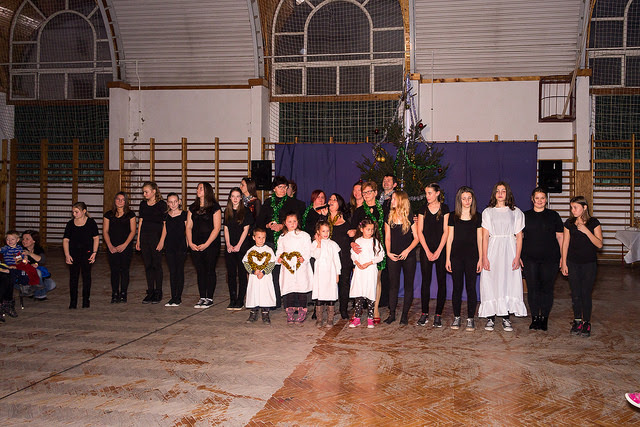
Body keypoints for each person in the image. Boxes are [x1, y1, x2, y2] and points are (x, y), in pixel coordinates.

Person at [479, 181, 527, 332]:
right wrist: (484, 257)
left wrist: (517, 256)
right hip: (493, 249)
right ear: (494, 194)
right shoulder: (488, 212)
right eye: (498, 191)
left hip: (509, 250)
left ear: (508, 193)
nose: (500, 193)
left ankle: (506, 317)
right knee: (491, 281)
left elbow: (519, 237)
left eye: (503, 191)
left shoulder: (516, 212)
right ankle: (490, 318)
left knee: (508, 281)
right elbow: (485, 236)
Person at [255, 176, 304, 307]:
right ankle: (275, 300)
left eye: (285, 187)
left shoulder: (292, 203)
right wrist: (268, 225)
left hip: (288, 241)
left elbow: (298, 222)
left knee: (290, 271)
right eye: (280, 187)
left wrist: (283, 226)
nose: (283, 189)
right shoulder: (267, 203)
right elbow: (259, 222)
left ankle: (293, 302)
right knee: (273, 271)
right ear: (274, 189)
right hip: (271, 241)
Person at [522, 187, 563, 331]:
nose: (540, 201)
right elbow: (519, 238)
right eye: (537, 198)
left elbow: (560, 237)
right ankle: (535, 318)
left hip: (550, 259)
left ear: (546, 200)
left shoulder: (554, 216)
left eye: (542, 198)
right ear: (532, 199)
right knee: (532, 288)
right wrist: (518, 256)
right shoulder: (524, 216)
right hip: (529, 259)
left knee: (547, 288)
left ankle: (544, 318)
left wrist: (563, 257)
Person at [561, 196, 603, 337]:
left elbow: (599, 244)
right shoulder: (569, 223)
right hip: (573, 263)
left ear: (584, 208)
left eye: (575, 207)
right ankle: (577, 320)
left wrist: (586, 231)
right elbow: (565, 244)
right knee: (575, 293)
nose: (573, 210)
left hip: (589, 264)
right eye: (571, 207)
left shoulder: (594, 223)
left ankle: (587, 322)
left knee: (585, 293)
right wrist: (564, 262)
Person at [349, 180, 388, 323]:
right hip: (361, 250)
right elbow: (352, 231)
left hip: (376, 249)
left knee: (376, 279)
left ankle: (375, 309)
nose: (365, 195)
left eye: (369, 192)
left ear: (376, 193)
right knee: (359, 281)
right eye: (364, 192)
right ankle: (358, 310)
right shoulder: (359, 211)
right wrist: (352, 243)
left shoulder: (383, 209)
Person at [445, 186, 482, 332]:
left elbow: (480, 239)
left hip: (472, 257)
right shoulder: (453, 216)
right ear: (459, 200)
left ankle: (470, 318)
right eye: (464, 198)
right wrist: (447, 259)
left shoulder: (477, 217)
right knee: (457, 287)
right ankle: (457, 317)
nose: (467, 201)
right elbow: (449, 238)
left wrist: (480, 258)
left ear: (473, 200)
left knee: (471, 287)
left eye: (469, 198)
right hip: (456, 257)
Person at [417, 183, 450, 328]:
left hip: (440, 249)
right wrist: (427, 251)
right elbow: (420, 232)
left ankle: (438, 315)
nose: (427, 196)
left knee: (441, 281)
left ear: (437, 193)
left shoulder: (445, 209)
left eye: (430, 193)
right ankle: (424, 313)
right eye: (426, 193)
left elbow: (446, 231)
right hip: (426, 249)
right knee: (426, 281)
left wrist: (438, 251)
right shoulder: (422, 209)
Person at [384, 190, 419, 325]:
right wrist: (388, 252)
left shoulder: (409, 216)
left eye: (394, 199)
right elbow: (387, 237)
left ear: (401, 201)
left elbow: (416, 238)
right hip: (393, 255)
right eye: (392, 199)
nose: (391, 201)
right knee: (393, 285)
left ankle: (404, 315)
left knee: (408, 285)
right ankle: (392, 314)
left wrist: (407, 251)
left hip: (408, 256)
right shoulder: (389, 216)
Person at [187, 182, 222, 309]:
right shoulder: (193, 207)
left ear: (207, 191)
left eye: (201, 188)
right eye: (197, 188)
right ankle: (202, 297)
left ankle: (209, 298)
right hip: (195, 243)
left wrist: (206, 244)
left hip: (211, 244)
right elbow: (188, 226)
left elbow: (217, 228)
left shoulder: (215, 207)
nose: (198, 190)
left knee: (209, 270)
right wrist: (190, 243)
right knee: (200, 270)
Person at [276, 212, 312, 325]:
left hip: (300, 267)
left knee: (301, 289)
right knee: (289, 289)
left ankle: (302, 310)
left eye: (294, 221)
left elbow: (308, 250)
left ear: (298, 222)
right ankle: (290, 311)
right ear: (285, 223)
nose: (292, 224)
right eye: (289, 222)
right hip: (287, 267)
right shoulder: (282, 237)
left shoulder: (304, 235)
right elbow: (279, 250)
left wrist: (304, 258)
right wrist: (279, 258)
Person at [62, 202, 99, 309]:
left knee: (86, 277)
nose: (74, 214)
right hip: (74, 254)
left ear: (84, 211)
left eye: (76, 212)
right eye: (73, 212)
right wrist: (67, 255)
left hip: (87, 253)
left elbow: (96, 238)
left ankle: (86, 300)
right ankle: (73, 301)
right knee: (73, 278)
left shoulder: (91, 223)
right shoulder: (70, 224)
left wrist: (94, 252)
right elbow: (65, 240)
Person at [349, 218, 384, 328]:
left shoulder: (375, 242)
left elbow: (380, 256)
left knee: (370, 293)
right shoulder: (358, 241)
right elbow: (353, 254)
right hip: (360, 271)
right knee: (359, 294)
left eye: (372, 230)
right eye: (368, 229)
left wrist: (369, 263)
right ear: (362, 229)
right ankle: (357, 318)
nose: (370, 232)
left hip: (370, 270)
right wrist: (357, 262)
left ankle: (370, 318)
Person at [136, 182, 167, 304]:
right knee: (148, 265)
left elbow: (165, 224)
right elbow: (141, 222)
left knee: (156, 265)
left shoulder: (161, 205)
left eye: (146, 192)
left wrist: (162, 241)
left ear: (154, 191)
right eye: (143, 192)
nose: (144, 194)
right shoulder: (143, 204)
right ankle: (150, 291)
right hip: (145, 237)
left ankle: (158, 292)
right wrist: (138, 239)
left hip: (156, 237)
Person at [224, 187, 254, 310]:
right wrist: (228, 244)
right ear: (230, 198)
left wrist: (238, 245)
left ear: (241, 198)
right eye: (233, 196)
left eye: (237, 196)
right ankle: (232, 299)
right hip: (230, 247)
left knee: (242, 274)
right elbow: (226, 229)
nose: (235, 198)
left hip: (242, 247)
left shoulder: (246, 211)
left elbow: (246, 230)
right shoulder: (227, 211)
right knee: (231, 274)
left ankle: (240, 300)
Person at [103, 191, 136, 303]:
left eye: (123, 200)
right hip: (112, 247)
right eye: (118, 199)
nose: (120, 201)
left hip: (125, 247)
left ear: (126, 202)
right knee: (114, 270)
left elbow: (133, 231)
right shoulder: (108, 214)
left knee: (124, 270)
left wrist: (125, 245)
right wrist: (110, 246)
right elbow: (105, 231)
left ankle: (123, 293)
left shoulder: (130, 214)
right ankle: (115, 293)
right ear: (115, 200)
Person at [158, 192, 187, 307]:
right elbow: (164, 230)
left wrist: (188, 243)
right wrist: (161, 242)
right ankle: (173, 297)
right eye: (170, 202)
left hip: (181, 245)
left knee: (179, 270)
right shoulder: (166, 215)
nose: (173, 204)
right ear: (167, 203)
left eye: (175, 201)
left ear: (179, 202)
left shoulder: (184, 214)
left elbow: (187, 230)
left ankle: (178, 297)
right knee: (172, 271)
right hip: (169, 245)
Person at [243, 228, 277, 325]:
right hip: (254, 278)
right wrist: (253, 271)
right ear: (254, 238)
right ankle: (253, 313)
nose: (261, 240)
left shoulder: (268, 250)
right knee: (254, 294)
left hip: (265, 278)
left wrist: (264, 272)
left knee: (265, 294)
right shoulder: (251, 251)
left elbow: (272, 263)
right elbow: (246, 262)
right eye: (259, 237)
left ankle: (265, 314)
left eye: (263, 237)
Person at [311, 220, 341, 327]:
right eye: (323, 231)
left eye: (327, 231)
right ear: (318, 232)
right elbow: (316, 256)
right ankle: (319, 319)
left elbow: (337, 260)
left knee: (330, 297)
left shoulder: (333, 244)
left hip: (331, 274)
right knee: (320, 297)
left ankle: (330, 319)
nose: (326, 233)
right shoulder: (315, 244)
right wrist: (319, 244)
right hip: (320, 275)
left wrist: (337, 273)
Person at [328, 193, 353, 319]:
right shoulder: (324, 219)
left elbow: (353, 236)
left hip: (344, 257)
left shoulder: (346, 219)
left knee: (344, 283)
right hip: (328, 259)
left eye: (335, 199)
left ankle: (343, 309)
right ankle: (321, 309)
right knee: (326, 283)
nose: (331, 201)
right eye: (330, 199)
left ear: (340, 203)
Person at [22, 230, 56, 301]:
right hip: (24, 275)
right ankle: (40, 295)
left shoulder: (38, 249)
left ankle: (32, 292)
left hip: (36, 276)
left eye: (27, 239)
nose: (24, 241)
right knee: (37, 272)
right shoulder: (20, 249)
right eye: (23, 239)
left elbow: (42, 260)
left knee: (52, 285)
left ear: (34, 241)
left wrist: (30, 254)